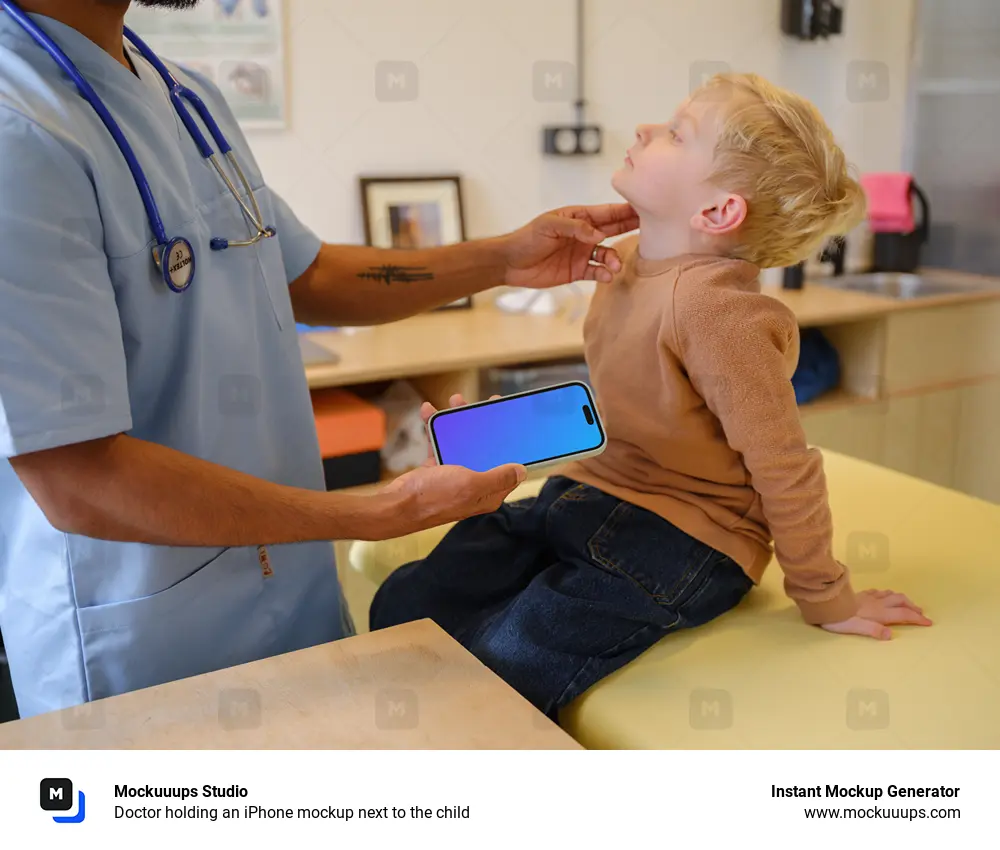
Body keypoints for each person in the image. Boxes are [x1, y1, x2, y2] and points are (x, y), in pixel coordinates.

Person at [0, 0, 639, 719]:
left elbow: (306, 274)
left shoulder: (181, 93)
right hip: (144, 635)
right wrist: (368, 511)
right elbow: (75, 476)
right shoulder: (17, 131)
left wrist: (501, 258)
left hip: (288, 583)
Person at [370, 73, 934, 718]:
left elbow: (784, 464)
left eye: (675, 132)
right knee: (409, 600)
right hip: (592, 493)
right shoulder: (627, 260)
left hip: (686, 540)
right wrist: (497, 438)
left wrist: (825, 594)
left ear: (718, 211)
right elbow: (634, 404)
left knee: (504, 665)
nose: (643, 130)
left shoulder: (723, 315)